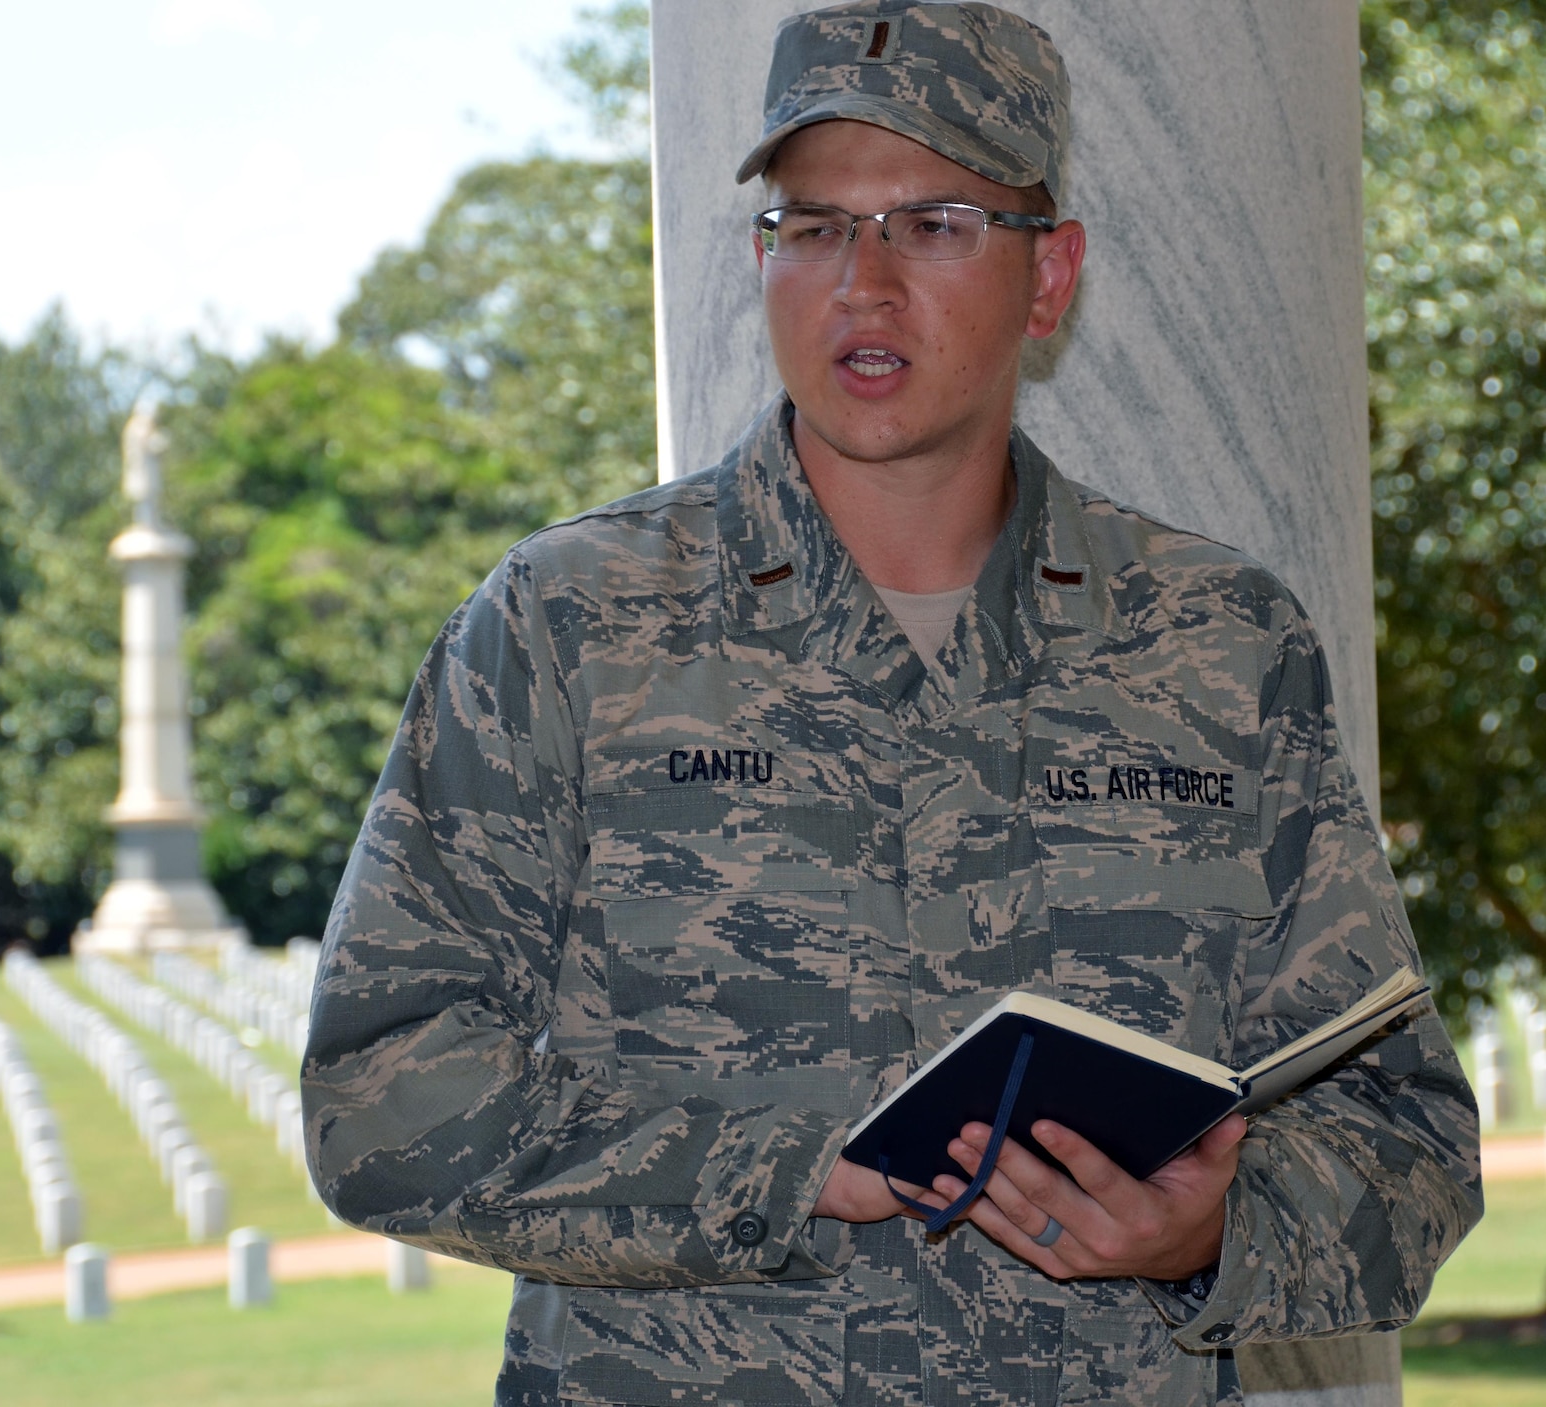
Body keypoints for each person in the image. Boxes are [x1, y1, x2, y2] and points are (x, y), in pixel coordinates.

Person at [300, 3, 1483, 1403]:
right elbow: (381, 1101)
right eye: (811, 226)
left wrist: (1218, 1227)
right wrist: (793, 1172)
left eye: (935, 223)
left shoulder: (1220, 648)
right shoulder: (567, 628)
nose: (861, 281)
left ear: (1051, 280)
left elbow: (1403, 1137)